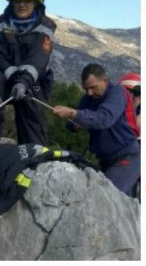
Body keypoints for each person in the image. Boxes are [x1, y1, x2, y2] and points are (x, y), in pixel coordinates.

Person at [53, 64, 140, 198]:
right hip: (106, 161)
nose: (89, 93)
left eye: (93, 88)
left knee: (105, 197)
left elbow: (104, 119)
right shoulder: (89, 99)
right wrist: (74, 124)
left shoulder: (117, 94)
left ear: (105, 81)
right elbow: (74, 122)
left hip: (126, 159)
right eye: (86, 89)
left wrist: (72, 113)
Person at [0, 0, 56, 145]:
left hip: (30, 82)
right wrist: (13, 78)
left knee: (33, 119)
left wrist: (23, 82)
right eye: (17, 0)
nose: (21, 4)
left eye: (26, 0)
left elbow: (38, 59)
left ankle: (33, 159)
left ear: (36, 2)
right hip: (5, 77)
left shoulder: (46, 27)